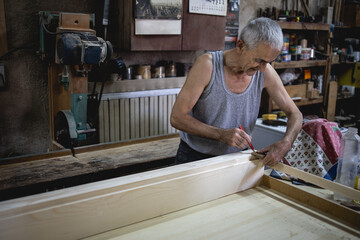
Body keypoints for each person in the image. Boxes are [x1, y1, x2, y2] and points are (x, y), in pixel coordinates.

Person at [170, 17, 303, 166]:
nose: (263, 68)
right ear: (240, 46)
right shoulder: (208, 66)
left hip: (238, 158)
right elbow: (177, 117)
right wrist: (220, 134)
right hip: (196, 157)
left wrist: (286, 142)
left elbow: (295, 114)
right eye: (260, 60)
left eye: (268, 62)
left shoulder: (265, 72)